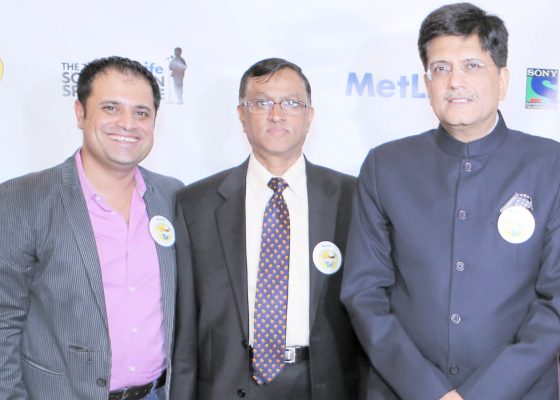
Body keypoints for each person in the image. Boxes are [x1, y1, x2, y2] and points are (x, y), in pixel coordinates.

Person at [340, 3, 560, 400]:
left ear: (504, 79)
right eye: (441, 68)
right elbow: (364, 293)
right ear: (427, 82)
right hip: (402, 391)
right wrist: (428, 391)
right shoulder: (384, 165)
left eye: (473, 66)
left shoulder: (550, 165)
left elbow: (556, 301)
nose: (455, 81)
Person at [170, 57, 366, 399]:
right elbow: (186, 326)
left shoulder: (353, 197)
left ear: (309, 115)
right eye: (261, 103)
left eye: (291, 103)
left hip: (325, 384)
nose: (277, 114)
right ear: (241, 114)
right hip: (228, 385)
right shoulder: (196, 204)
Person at [0, 56, 183, 399]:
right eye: (111, 108)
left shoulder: (175, 196)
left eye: (141, 113)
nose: (128, 123)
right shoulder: (21, 200)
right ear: (81, 113)